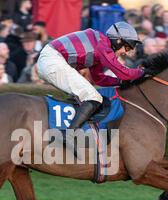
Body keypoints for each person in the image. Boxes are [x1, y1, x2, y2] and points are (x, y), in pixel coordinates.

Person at [36, 21, 147, 149]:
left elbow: (99, 79)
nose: (126, 53)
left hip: (51, 59)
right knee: (93, 97)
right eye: (127, 48)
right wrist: (142, 73)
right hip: (52, 60)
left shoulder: (100, 45)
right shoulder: (103, 45)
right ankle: (68, 135)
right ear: (118, 41)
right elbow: (122, 72)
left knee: (87, 95)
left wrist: (120, 82)